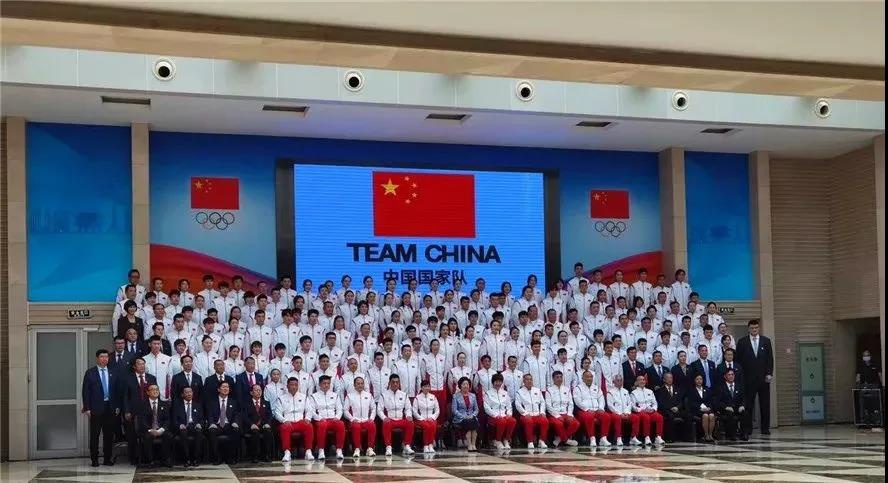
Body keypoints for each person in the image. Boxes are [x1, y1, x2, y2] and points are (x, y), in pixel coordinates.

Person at [735, 319, 773, 436]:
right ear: (748, 329)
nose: (754, 330)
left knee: (765, 404)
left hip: (763, 379)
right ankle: (748, 428)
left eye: (756, 328)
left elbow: (769, 359)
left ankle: (765, 428)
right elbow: (738, 361)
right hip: (748, 379)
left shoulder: (766, 341)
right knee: (748, 405)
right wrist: (740, 377)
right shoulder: (742, 342)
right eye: (752, 328)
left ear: (759, 328)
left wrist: (769, 373)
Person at [82, 349, 119, 467]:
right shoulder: (90, 372)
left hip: (110, 407)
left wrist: (117, 406)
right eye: (102, 357)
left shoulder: (113, 371)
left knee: (109, 435)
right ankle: (94, 459)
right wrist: (87, 407)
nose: (104, 359)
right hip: (96, 408)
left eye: (106, 357)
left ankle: (107, 459)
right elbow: (86, 391)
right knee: (95, 435)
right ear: (97, 358)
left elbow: (117, 390)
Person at [122, 358, 157, 465]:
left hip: (148, 411)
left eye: (143, 364)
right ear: (134, 366)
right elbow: (125, 396)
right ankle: (134, 458)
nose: (142, 366)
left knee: (148, 434)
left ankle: (149, 457)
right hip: (133, 411)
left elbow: (155, 393)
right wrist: (127, 411)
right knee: (132, 435)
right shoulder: (128, 379)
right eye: (139, 364)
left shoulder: (151, 378)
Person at [275, 377, 315, 462]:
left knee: (309, 426)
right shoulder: (281, 398)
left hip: (300, 421)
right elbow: (277, 413)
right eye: (291, 385)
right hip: (288, 421)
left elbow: (309, 410)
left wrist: (307, 418)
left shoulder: (303, 397)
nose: (294, 387)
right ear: (287, 386)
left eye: (296, 385)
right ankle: (287, 452)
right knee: (284, 428)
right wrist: (284, 420)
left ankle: (308, 451)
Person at [378, 374, 416, 456]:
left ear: (399, 383)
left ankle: (407, 446)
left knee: (410, 423)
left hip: (400, 419)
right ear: (389, 383)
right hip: (390, 420)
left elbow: (408, 408)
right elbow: (379, 410)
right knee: (386, 423)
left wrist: (408, 416)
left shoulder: (404, 394)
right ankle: (388, 447)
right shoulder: (384, 395)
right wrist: (384, 418)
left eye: (397, 382)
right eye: (393, 382)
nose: (395, 384)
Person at [573, 370, 612, 447]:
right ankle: (592, 438)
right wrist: (587, 409)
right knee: (589, 417)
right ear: (582, 378)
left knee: (606, 416)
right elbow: (577, 401)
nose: (589, 378)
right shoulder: (578, 388)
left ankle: (603, 438)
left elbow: (601, 398)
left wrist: (601, 408)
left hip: (597, 410)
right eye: (587, 377)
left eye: (591, 377)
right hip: (584, 411)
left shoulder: (596, 388)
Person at [310, 375, 346, 460]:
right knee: (322, 425)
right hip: (321, 419)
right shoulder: (314, 396)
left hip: (333, 419)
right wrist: (319, 418)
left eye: (328, 383)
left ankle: (339, 450)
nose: (326, 385)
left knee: (341, 424)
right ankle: (321, 450)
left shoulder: (335, 395)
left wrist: (337, 417)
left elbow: (340, 409)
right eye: (324, 383)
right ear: (319, 384)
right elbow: (311, 411)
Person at [206, 381, 241, 465]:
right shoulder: (212, 401)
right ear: (218, 389)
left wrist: (235, 422)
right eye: (223, 387)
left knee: (236, 430)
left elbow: (236, 414)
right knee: (212, 431)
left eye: (227, 387)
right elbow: (209, 414)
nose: (226, 389)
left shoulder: (233, 402)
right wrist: (211, 423)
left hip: (229, 425)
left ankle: (231, 457)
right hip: (217, 425)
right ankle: (216, 458)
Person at [138, 384, 172, 468]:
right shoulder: (142, 405)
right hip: (148, 429)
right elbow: (142, 420)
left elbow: (167, 420)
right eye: (152, 389)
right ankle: (150, 461)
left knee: (168, 436)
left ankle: (165, 459)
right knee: (147, 437)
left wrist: (161, 430)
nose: (155, 391)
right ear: (147, 392)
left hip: (161, 429)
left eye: (157, 389)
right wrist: (150, 430)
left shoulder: (164, 404)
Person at [343, 376, 377, 458]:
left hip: (366, 420)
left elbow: (373, 408)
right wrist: (352, 419)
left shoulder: (369, 395)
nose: (360, 385)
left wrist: (371, 418)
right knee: (356, 427)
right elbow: (345, 410)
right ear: (354, 385)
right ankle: (357, 448)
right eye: (358, 384)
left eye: (362, 383)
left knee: (372, 425)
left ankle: (370, 448)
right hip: (355, 420)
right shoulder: (349, 396)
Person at [545, 371, 580, 447]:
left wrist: (569, 414)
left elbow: (571, 403)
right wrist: (557, 416)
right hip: (554, 414)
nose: (559, 379)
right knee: (559, 424)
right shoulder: (549, 390)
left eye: (561, 377)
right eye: (557, 377)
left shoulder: (567, 389)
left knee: (575, 423)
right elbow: (548, 405)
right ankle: (567, 441)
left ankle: (559, 439)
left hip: (565, 413)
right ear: (553, 379)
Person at [514, 373, 549, 449]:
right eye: (527, 379)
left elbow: (542, 402)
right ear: (524, 381)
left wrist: (542, 412)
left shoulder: (537, 390)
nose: (529, 381)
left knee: (545, 421)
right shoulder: (519, 392)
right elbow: (518, 404)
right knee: (529, 422)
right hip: (526, 415)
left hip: (537, 414)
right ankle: (530, 442)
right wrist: (524, 413)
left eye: (531, 379)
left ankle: (541, 441)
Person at [172, 386, 204, 467]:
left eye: (190, 392)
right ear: (182, 394)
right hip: (183, 427)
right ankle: (187, 459)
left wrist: (199, 424)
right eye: (186, 392)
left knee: (199, 432)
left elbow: (202, 419)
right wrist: (180, 425)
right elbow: (174, 420)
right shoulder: (177, 406)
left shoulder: (198, 405)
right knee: (183, 433)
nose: (189, 394)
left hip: (194, 426)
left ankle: (196, 459)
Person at [242, 384, 274, 463]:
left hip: (263, 425)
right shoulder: (246, 403)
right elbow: (244, 416)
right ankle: (255, 456)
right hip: (251, 426)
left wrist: (267, 423)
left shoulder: (266, 403)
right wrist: (251, 424)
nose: (258, 392)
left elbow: (269, 415)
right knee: (255, 432)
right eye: (256, 390)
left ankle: (267, 455)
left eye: (260, 390)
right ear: (251, 392)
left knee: (268, 431)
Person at [484, 373, 517, 450]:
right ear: (493, 382)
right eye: (496, 381)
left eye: (500, 381)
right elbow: (486, 407)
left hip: (503, 415)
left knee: (512, 420)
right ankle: (498, 441)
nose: (498, 383)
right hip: (493, 416)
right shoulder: (488, 393)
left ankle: (506, 440)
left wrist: (509, 414)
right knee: (501, 421)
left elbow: (509, 406)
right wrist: (495, 415)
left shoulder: (505, 393)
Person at [630, 375, 665, 446]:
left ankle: (658, 437)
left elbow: (655, 403)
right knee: (646, 417)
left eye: (643, 380)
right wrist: (642, 410)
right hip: (640, 412)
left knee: (659, 417)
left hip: (650, 411)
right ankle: (647, 437)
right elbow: (633, 406)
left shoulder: (650, 391)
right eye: (640, 380)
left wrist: (653, 409)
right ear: (636, 382)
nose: (642, 381)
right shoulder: (633, 393)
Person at [656, 372, 690, 442]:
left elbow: (681, 401)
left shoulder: (678, 389)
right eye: (667, 378)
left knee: (688, 415)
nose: (670, 379)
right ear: (664, 380)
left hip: (677, 410)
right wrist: (670, 408)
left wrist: (677, 407)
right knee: (670, 416)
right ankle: (670, 438)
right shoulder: (660, 390)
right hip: (667, 411)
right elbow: (661, 403)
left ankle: (687, 437)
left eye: (671, 378)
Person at [607, 374, 640, 446]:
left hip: (626, 413)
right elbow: (610, 405)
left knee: (636, 418)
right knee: (617, 418)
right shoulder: (610, 392)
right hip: (615, 413)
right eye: (618, 380)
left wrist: (627, 413)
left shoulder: (625, 391)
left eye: (621, 380)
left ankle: (633, 437)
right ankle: (618, 438)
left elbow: (629, 403)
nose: (619, 382)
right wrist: (620, 413)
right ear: (614, 382)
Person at [451, 377, 480, 451]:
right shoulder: (455, 396)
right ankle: (469, 445)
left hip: (471, 417)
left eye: (467, 384)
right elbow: (454, 410)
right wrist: (463, 416)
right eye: (463, 384)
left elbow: (476, 409)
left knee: (474, 422)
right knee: (469, 423)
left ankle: (473, 444)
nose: (465, 386)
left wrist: (472, 415)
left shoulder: (473, 396)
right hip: (460, 418)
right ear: (460, 385)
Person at [716, 369, 746, 441]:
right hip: (726, 409)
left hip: (737, 408)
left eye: (732, 374)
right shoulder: (721, 387)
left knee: (745, 413)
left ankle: (744, 434)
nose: (731, 376)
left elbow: (744, 398)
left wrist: (742, 405)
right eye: (729, 375)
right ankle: (732, 435)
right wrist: (726, 407)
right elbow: (718, 401)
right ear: (725, 376)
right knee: (730, 414)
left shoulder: (739, 386)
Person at [412, 380, 440, 453]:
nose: (427, 388)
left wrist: (432, 417)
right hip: (421, 419)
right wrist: (422, 418)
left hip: (431, 418)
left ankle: (430, 445)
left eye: (428, 386)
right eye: (425, 386)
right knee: (427, 426)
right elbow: (414, 411)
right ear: (421, 388)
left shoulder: (433, 397)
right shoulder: (417, 398)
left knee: (433, 424)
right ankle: (426, 445)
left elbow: (437, 410)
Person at [685, 374, 716, 442]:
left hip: (707, 409)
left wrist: (708, 408)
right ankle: (706, 435)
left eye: (700, 379)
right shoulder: (691, 391)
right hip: (697, 410)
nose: (699, 381)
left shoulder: (707, 389)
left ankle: (710, 434)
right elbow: (691, 403)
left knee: (712, 415)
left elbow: (710, 401)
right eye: (697, 379)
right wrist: (700, 408)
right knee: (705, 416)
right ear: (694, 380)